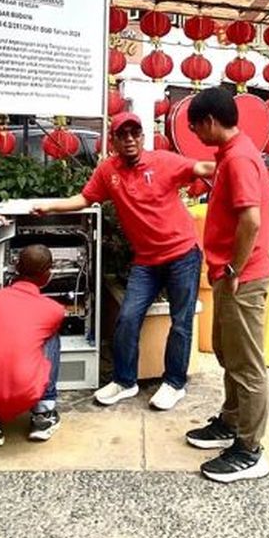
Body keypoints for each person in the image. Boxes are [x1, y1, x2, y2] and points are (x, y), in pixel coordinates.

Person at [35, 112, 214, 410]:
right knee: (128, 318)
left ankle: (174, 383)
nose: (130, 139)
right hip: (146, 260)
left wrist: (240, 165)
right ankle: (124, 381)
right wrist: (48, 205)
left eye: (135, 133)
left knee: (181, 322)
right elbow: (84, 198)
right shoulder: (108, 171)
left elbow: (203, 167)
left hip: (183, 253)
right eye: (123, 134)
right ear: (114, 140)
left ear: (143, 137)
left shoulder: (163, 161)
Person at [182, 86, 269, 484]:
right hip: (230, 274)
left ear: (209, 122)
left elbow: (251, 221)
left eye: (194, 127)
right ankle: (232, 420)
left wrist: (235, 270)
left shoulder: (238, 160)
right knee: (228, 351)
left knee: (247, 364)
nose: (195, 135)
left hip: (244, 277)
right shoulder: (231, 155)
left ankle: (250, 449)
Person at [0, 244, 65, 446]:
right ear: (47, 275)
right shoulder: (54, 310)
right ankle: (43, 415)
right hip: (27, 391)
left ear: (16, 268)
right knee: (51, 336)